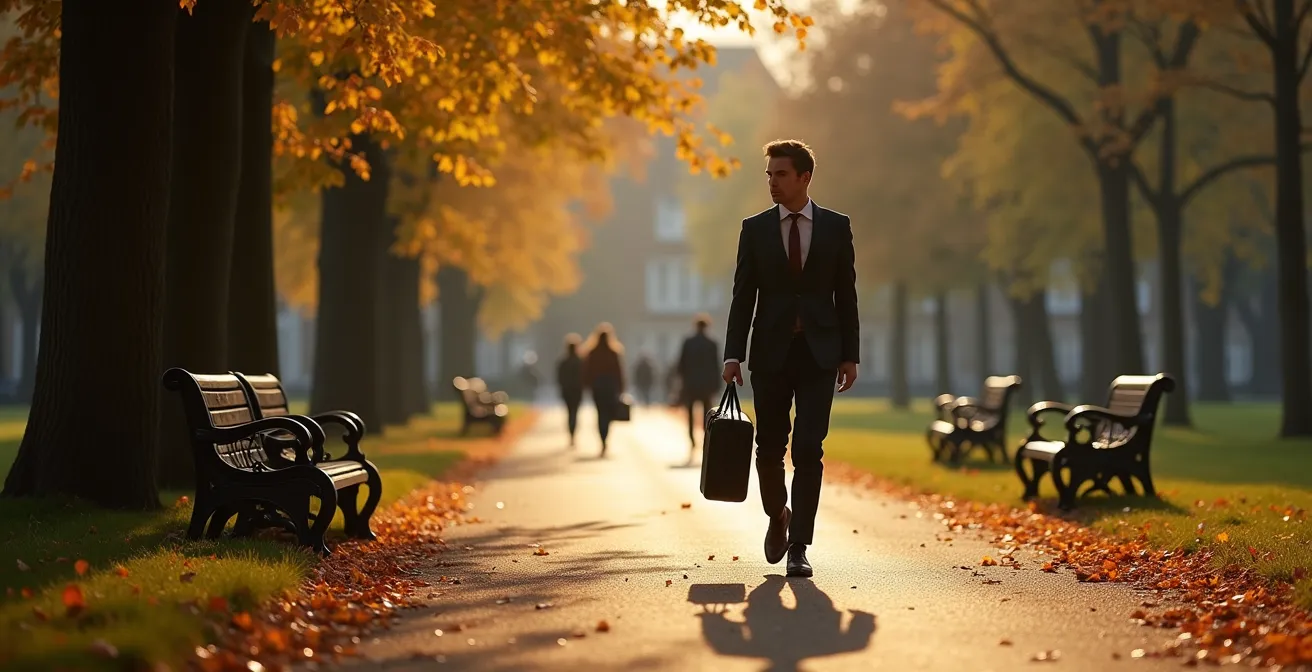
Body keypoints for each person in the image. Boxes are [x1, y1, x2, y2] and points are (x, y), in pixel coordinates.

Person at [722, 139, 860, 579]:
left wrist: (850, 355)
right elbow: (743, 297)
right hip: (770, 354)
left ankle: (799, 546)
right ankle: (777, 513)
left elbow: (847, 295)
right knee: (768, 449)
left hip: (820, 354)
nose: (772, 183)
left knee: (808, 451)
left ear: (804, 177)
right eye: (768, 175)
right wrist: (732, 355)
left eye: (780, 174)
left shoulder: (837, 227)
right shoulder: (755, 229)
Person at [678, 314, 722, 461]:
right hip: (706, 385)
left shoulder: (688, 342)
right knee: (707, 414)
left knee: (690, 414)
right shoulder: (712, 343)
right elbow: (716, 366)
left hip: (690, 384)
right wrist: (717, 385)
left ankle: (692, 440)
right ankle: (705, 438)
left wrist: (682, 381)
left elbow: (681, 365)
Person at [581, 322, 627, 456]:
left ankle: (602, 438)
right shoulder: (614, 352)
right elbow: (619, 371)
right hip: (610, 387)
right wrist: (621, 387)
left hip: (597, 387)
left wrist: (587, 385)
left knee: (600, 413)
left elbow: (587, 371)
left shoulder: (592, 353)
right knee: (608, 413)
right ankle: (605, 437)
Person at [556, 335, 584, 447]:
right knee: (575, 412)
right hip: (577, 391)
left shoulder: (563, 362)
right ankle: (573, 432)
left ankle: (571, 433)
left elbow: (559, 378)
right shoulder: (580, 362)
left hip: (567, 391)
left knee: (569, 412)